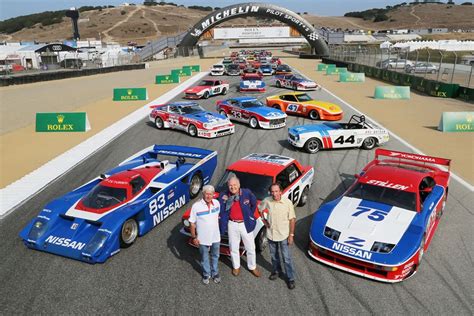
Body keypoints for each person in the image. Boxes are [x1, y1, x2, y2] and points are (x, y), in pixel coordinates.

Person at [218, 175, 261, 277]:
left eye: (235, 185)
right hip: (232, 223)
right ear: (228, 186)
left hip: (245, 223)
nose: (233, 187)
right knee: (233, 246)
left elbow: (254, 204)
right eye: (230, 185)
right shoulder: (224, 195)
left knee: (250, 247)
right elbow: (221, 207)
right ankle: (236, 266)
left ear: (239, 185)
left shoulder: (247, 193)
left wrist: (249, 216)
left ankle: (252, 267)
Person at [258, 182, 297, 289]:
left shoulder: (287, 203)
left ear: (281, 191)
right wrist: (263, 220)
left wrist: (291, 235)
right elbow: (260, 208)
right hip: (271, 235)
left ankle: (290, 278)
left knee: (286, 258)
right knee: (274, 256)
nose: (274, 194)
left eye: (276, 191)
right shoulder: (267, 201)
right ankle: (276, 271)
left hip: (284, 235)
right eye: (272, 192)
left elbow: (292, 219)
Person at [189, 185, 221, 285]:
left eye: (210, 194)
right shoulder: (196, 206)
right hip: (202, 238)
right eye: (206, 193)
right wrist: (194, 237)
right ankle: (206, 274)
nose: (208, 196)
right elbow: (192, 223)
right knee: (204, 257)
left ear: (213, 194)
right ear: (203, 194)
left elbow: (217, 217)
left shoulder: (217, 203)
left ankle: (215, 273)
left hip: (215, 236)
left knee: (215, 255)